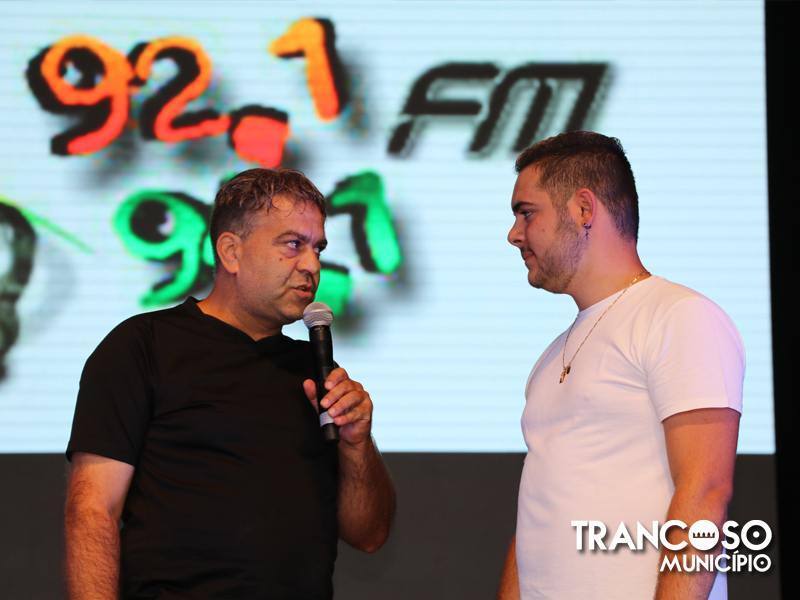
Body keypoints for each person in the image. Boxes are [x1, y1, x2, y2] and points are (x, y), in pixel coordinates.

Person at [64, 168, 396, 599]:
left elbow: (369, 534)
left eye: (318, 248)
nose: (312, 266)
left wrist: (357, 445)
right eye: (293, 244)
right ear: (231, 252)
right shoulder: (144, 346)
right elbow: (93, 509)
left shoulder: (315, 371)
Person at [497, 132, 744, 599]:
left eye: (526, 213)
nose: (514, 234)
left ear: (583, 209)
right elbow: (535, 519)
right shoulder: (550, 358)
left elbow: (706, 491)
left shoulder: (679, 316)